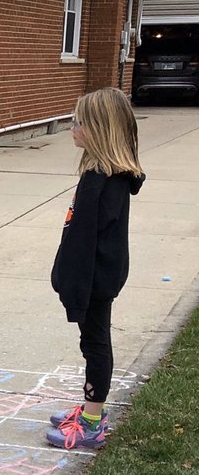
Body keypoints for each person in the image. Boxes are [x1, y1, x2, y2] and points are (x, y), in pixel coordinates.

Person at [46, 87, 145, 450]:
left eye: (80, 122)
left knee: (95, 345)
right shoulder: (108, 175)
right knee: (94, 342)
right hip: (101, 274)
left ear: (100, 130)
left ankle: (92, 422)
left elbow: (83, 241)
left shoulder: (100, 182)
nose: (73, 127)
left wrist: (73, 288)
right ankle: (91, 410)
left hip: (93, 279)